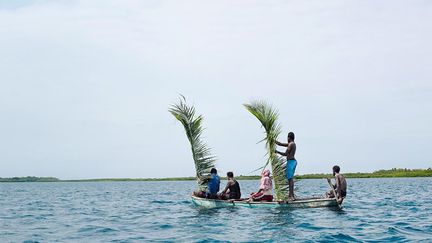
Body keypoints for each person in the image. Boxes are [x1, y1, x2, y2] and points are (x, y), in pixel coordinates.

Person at [275, 132, 297, 200]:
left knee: (290, 179)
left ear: (289, 137)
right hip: (291, 162)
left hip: (291, 162)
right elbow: (280, 144)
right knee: (289, 179)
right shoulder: (291, 144)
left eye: (287, 138)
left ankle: (291, 195)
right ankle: (291, 195)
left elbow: (285, 154)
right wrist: (273, 140)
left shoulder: (291, 144)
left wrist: (277, 152)